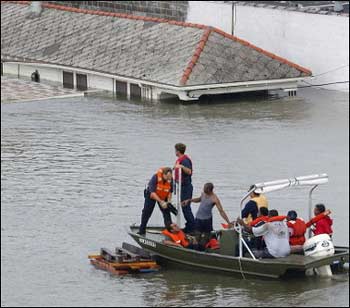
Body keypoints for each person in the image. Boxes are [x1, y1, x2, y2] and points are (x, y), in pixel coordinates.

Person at [138, 167, 173, 235]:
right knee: (146, 212)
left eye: (170, 177)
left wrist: (168, 202)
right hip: (152, 195)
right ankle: (142, 230)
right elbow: (152, 193)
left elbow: (170, 192)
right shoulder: (155, 178)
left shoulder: (170, 180)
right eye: (168, 177)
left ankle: (169, 231)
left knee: (166, 212)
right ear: (164, 175)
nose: (169, 178)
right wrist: (161, 202)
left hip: (163, 195)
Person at [174, 143, 195, 233]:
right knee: (184, 207)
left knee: (186, 207)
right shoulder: (180, 160)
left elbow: (189, 171)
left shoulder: (185, 160)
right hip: (181, 186)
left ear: (178, 151)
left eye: (175, 150)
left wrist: (181, 167)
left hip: (186, 187)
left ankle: (192, 226)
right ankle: (189, 225)